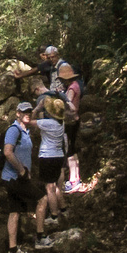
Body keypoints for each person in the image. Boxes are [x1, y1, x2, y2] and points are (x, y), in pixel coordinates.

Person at [2, 101, 48, 253]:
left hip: (12, 178)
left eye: (29, 111)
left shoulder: (24, 129)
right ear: (17, 113)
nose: (27, 113)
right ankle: (40, 238)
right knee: (42, 199)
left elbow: (32, 116)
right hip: (15, 178)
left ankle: (13, 250)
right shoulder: (14, 130)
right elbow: (7, 152)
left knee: (14, 211)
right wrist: (21, 170)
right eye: (24, 111)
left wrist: (39, 107)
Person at [31, 94, 69, 233]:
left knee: (49, 188)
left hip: (47, 156)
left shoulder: (48, 123)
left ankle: (54, 215)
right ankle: (62, 209)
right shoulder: (61, 122)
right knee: (54, 185)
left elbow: (29, 121)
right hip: (58, 156)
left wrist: (38, 107)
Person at [56, 61, 83, 192]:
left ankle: (73, 181)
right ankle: (75, 178)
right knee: (73, 150)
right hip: (75, 121)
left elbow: (69, 105)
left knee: (69, 152)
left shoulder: (72, 88)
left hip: (70, 122)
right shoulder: (76, 85)